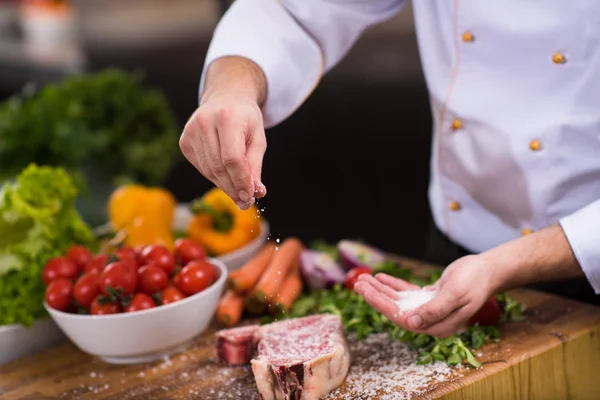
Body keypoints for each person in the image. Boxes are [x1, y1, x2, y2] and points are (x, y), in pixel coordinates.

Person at [179, 1, 600, 337]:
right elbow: (292, 10)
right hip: (459, 255)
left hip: (586, 264)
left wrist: (501, 267)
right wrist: (230, 89)